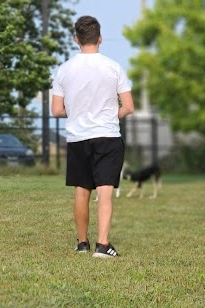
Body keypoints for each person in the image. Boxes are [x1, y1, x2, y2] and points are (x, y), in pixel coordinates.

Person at [51, 15, 134, 258]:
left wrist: (78, 112)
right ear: (100, 38)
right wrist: (110, 115)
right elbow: (128, 107)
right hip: (107, 136)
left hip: (78, 137)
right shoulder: (113, 67)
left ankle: (82, 243)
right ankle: (103, 245)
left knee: (81, 190)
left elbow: (56, 110)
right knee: (105, 190)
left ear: (76, 39)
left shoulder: (64, 69)